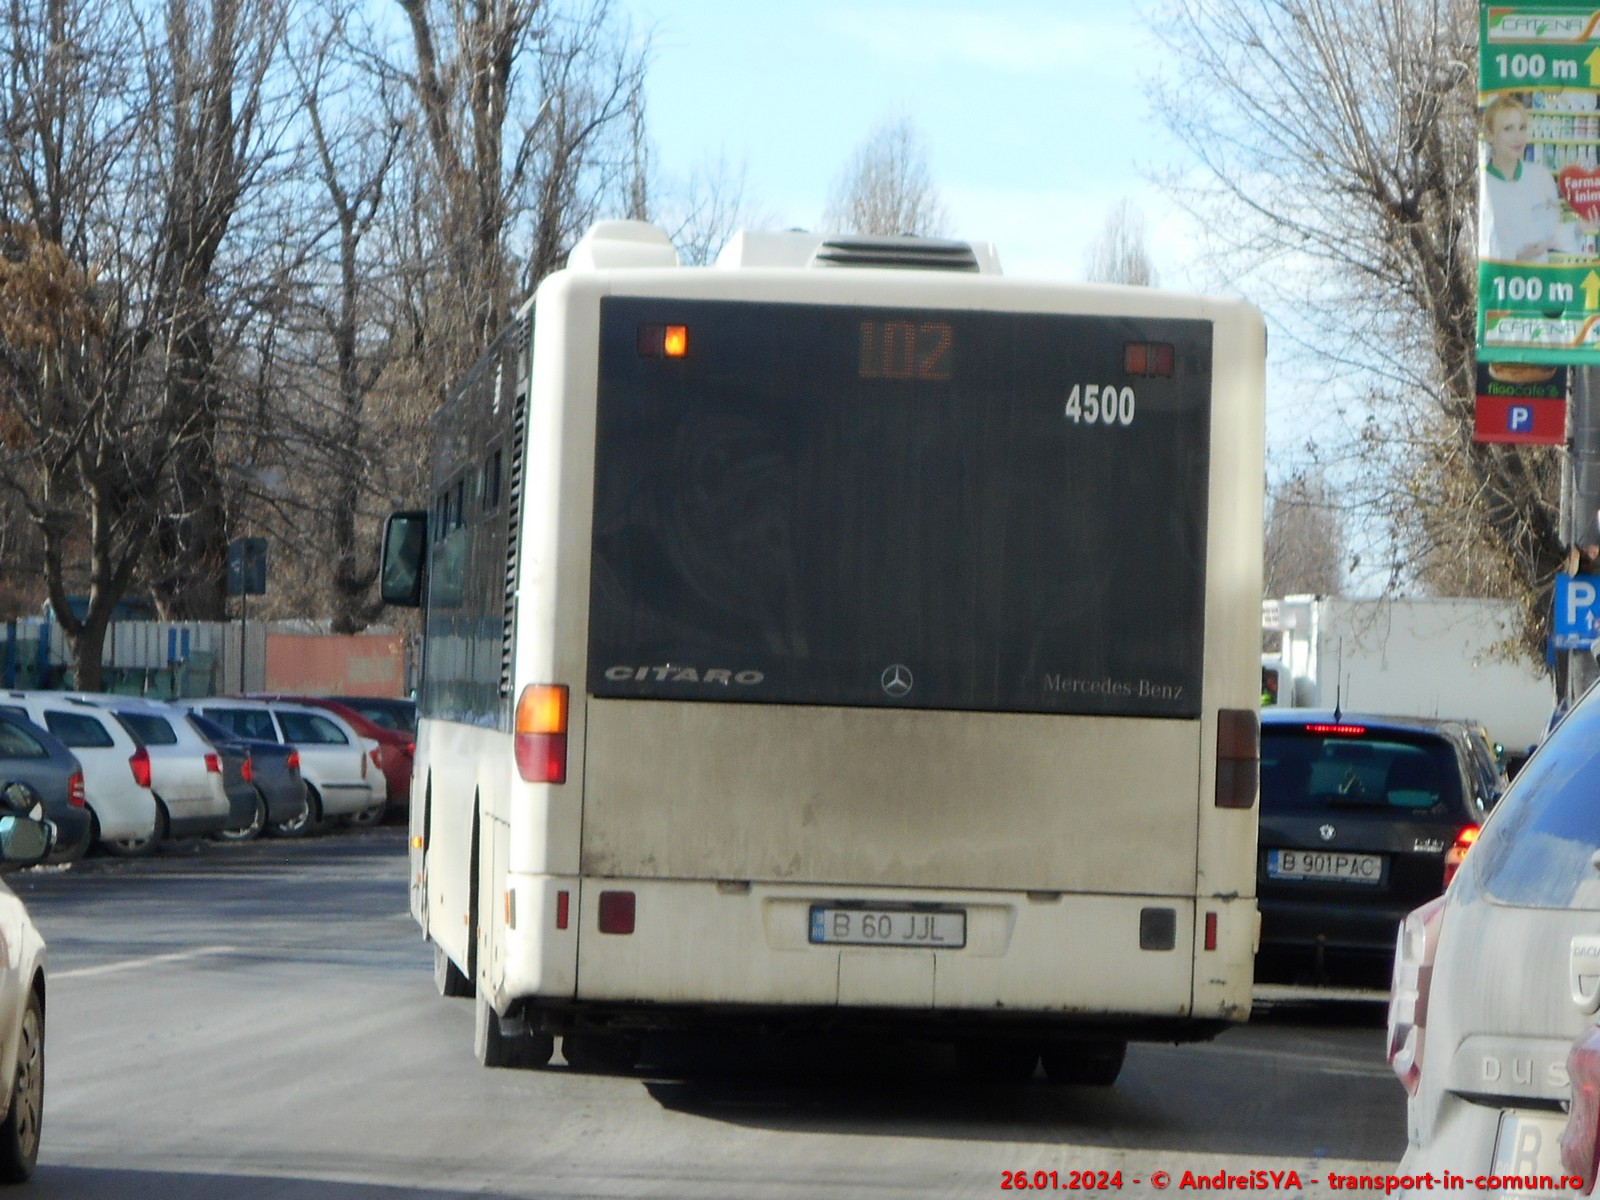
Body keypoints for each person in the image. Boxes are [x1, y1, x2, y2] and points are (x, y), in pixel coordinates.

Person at [1480, 95, 1579, 263]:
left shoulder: (1541, 176)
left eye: (1522, 128)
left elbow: (1554, 232)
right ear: (1489, 135)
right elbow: (1482, 248)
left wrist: (1581, 227)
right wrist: (1517, 258)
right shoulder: (1483, 186)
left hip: (1540, 276)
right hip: (1503, 278)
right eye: (1508, 129)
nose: (1518, 137)